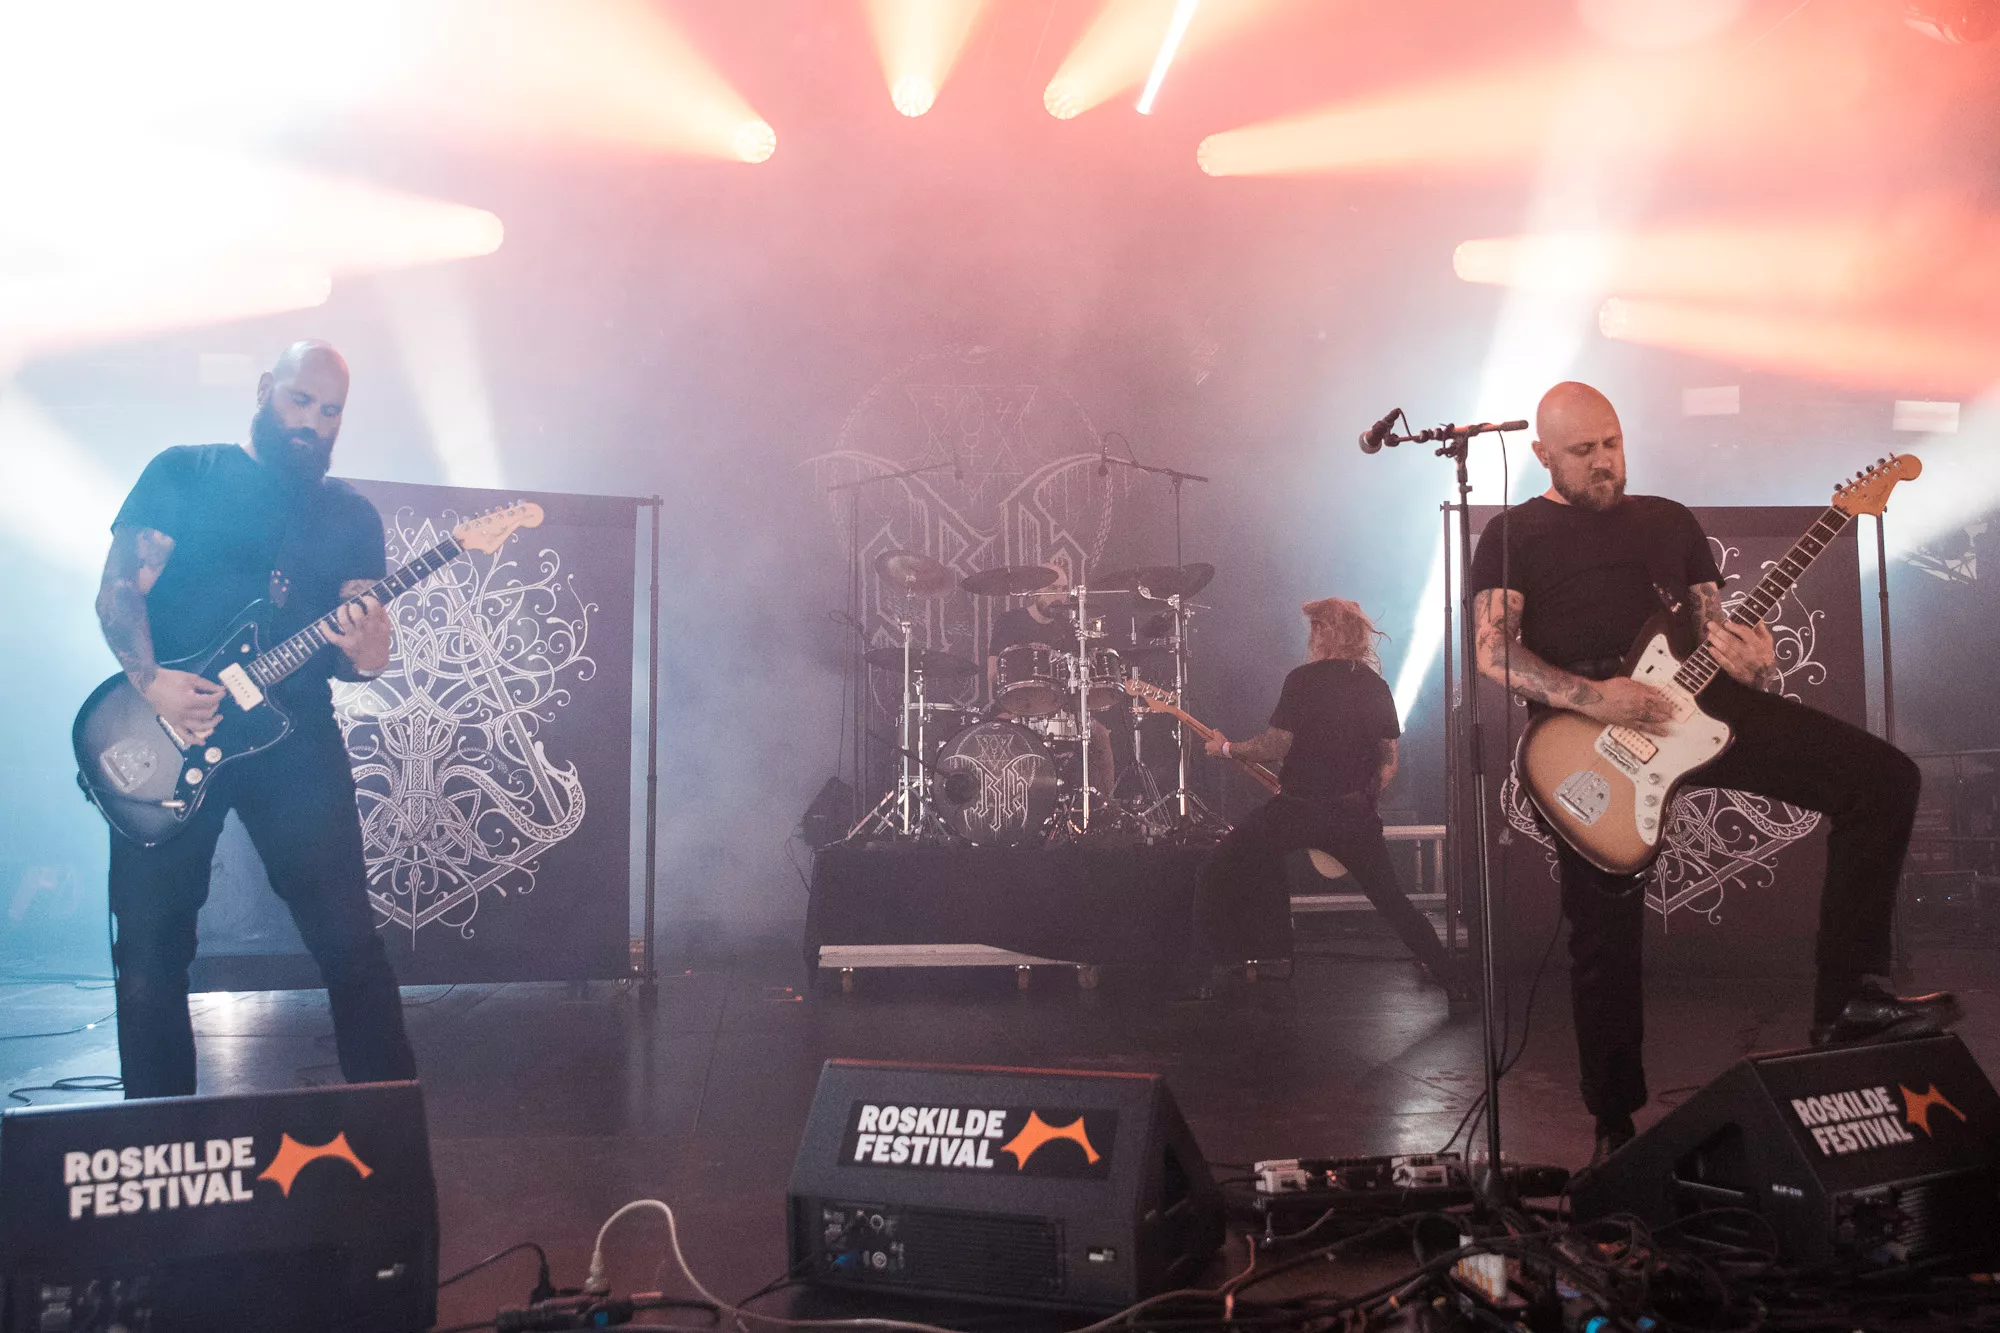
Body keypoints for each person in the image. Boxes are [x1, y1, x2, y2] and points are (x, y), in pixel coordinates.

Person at [1470, 380, 1959, 1162]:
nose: (1604, 461)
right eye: (1583, 451)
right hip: (1587, 733)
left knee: (1884, 779)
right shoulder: (1512, 532)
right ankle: (1614, 1127)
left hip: (1702, 706)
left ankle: (1849, 1001)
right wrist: (1600, 697)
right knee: (1603, 928)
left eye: (1613, 443)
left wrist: (1755, 660)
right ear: (1542, 454)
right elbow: (1494, 652)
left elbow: (1714, 633)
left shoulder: (1669, 520)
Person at [94, 340, 417, 1098]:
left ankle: (391, 1131)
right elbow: (118, 592)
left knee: (350, 943)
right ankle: (160, 1138)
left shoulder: (349, 514)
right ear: (267, 388)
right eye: (300, 401)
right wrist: (152, 683)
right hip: (175, 731)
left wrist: (371, 650)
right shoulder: (186, 472)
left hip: (294, 740)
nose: (313, 423)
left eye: (330, 412)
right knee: (149, 953)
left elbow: (359, 653)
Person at [1189, 598, 1464, 997]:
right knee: (1393, 902)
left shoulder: (1302, 680)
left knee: (1216, 869)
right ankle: (1456, 984)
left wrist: (1227, 749)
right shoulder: (1375, 686)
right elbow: (1388, 764)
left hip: (1296, 810)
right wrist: (1363, 801)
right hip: (1351, 815)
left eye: (1314, 628)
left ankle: (1201, 977)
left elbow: (1276, 745)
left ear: (1323, 632)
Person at [986, 566, 1115, 788]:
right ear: (1036, 590)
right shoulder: (1010, 621)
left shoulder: (1068, 629)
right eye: (1052, 588)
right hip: (1019, 708)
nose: (1059, 595)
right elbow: (993, 672)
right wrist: (1006, 707)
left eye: (1064, 589)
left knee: (1100, 735)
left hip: (1060, 711)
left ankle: (1102, 804)